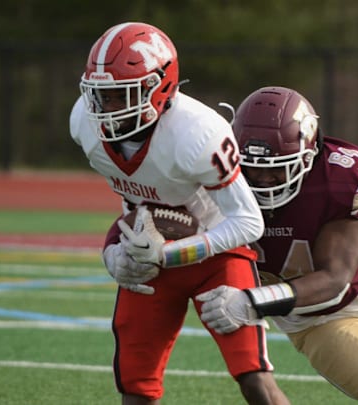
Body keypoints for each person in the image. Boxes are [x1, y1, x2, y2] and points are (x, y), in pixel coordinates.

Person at [69, 22, 289, 405]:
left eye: (123, 95)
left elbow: (249, 221)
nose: (108, 109)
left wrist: (172, 252)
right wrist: (114, 253)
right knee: (135, 386)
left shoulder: (196, 132)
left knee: (253, 376)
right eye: (101, 95)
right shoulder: (83, 124)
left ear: (161, 87)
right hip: (151, 256)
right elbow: (132, 201)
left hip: (218, 253)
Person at [197, 86, 358, 404]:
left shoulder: (341, 177)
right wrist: (122, 249)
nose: (263, 179)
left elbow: (335, 278)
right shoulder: (213, 183)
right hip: (324, 323)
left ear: (309, 153)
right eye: (253, 167)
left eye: (277, 167)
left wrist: (252, 301)